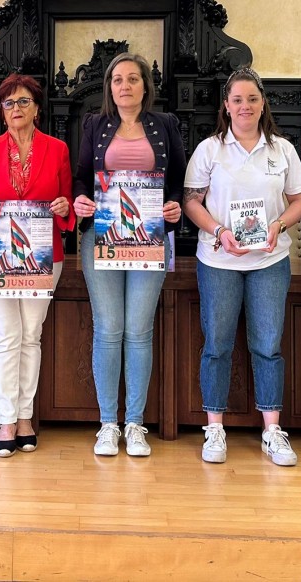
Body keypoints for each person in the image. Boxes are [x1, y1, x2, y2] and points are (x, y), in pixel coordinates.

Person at [183, 67, 301, 465]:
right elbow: (191, 201)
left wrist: (278, 225)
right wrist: (220, 232)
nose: (245, 106)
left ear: (262, 103)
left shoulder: (282, 150)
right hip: (218, 260)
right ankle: (215, 429)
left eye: (252, 99)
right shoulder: (210, 150)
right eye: (237, 99)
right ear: (226, 105)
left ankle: (272, 431)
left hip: (270, 260)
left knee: (268, 346)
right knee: (217, 345)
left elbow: (300, 201)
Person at [72, 52, 186, 457]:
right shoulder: (94, 125)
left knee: (138, 330)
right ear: (109, 88)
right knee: (108, 328)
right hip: (101, 238)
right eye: (117, 80)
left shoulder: (166, 125)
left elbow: (177, 182)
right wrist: (81, 198)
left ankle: (134, 423)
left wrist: (174, 206)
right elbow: (82, 176)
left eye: (132, 79)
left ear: (144, 86)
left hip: (149, 239)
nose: (125, 86)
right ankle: (108, 423)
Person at [0, 74, 74, 457]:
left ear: (37, 108)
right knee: (5, 335)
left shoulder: (58, 148)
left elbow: (66, 200)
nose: (16, 109)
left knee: (31, 333)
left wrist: (64, 208)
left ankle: (26, 417)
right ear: (2, 111)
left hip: (43, 253)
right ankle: (6, 420)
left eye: (23, 102)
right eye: (9, 103)